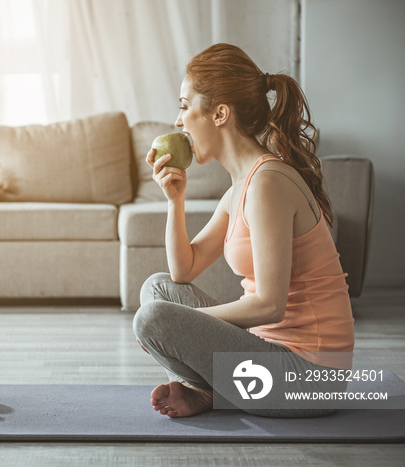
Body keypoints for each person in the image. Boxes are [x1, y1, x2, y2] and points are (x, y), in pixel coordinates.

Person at [133, 43, 354, 418]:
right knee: (157, 289)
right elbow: (182, 271)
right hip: (268, 354)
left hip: (313, 377)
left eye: (185, 105)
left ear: (219, 113)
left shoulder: (268, 183)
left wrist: (179, 327)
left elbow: (270, 304)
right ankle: (209, 391)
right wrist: (175, 200)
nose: (178, 120)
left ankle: (208, 389)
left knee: (153, 317)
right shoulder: (240, 188)